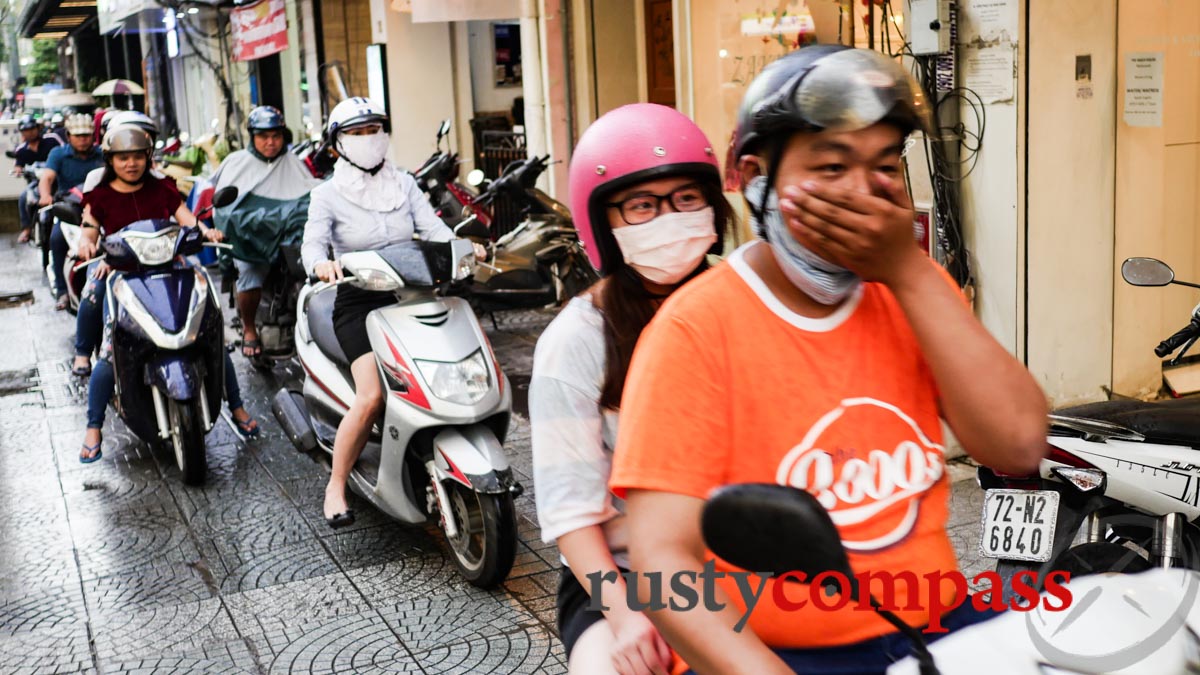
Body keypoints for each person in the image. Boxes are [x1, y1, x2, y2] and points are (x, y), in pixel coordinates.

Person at [608, 46, 1049, 675]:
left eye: (886, 167)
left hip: (932, 628)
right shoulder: (694, 330)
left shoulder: (914, 292)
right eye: (832, 166)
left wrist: (909, 273)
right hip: (778, 655)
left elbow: (1017, 445)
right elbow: (660, 560)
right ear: (755, 180)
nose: (862, 193)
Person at [531, 103, 732, 675]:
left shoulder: (743, 303)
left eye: (686, 199)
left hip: (753, 563)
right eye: (643, 205)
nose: (669, 218)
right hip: (625, 577)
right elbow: (571, 516)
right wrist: (624, 616)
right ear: (604, 224)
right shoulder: (574, 342)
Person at [301, 97, 487, 528]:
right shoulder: (326, 194)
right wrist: (321, 264)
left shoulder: (404, 183)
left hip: (414, 293)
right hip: (359, 300)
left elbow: (433, 229)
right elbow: (313, 243)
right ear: (337, 144)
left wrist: (462, 247)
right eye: (357, 133)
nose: (369, 139)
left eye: (374, 130)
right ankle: (337, 485)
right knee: (371, 397)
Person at [74, 127, 258, 462]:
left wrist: (205, 231)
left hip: (168, 268)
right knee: (110, 347)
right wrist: (88, 245)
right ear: (111, 161)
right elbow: (89, 231)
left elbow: (188, 222)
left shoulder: (163, 188)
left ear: (148, 158)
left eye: (137, 156)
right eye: (123, 158)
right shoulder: (99, 196)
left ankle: (237, 406)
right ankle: (93, 425)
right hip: (121, 272)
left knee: (207, 334)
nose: (131, 164)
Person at [211, 105, 320, 357]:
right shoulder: (237, 163)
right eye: (263, 136)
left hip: (287, 240)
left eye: (276, 136)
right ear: (253, 136)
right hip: (251, 241)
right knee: (250, 273)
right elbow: (224, 210)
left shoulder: (293, 163)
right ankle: (249, 328)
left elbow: (312, 197)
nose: (270, 142)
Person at [42, 113, 103, 309]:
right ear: (68, 136)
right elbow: (47, 178)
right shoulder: (58, 154)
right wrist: (45, 195)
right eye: (78, 136)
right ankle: (62, 291)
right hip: (70, 211)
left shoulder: (103, 153)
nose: (83, 139)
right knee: (56, 239)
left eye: (87, 135)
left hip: (100, 210)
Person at [11, 114, 61, 243]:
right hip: (36, 182)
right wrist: (18, 170)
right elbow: (18, 165)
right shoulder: (21, 150)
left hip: (58, 180)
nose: (30, 133)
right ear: (22, 132)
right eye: (26, 130)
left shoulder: (52, 140)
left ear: (38, 128)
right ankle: (27, 229)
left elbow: (65, 151)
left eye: (32, 129)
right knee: (23, 197)